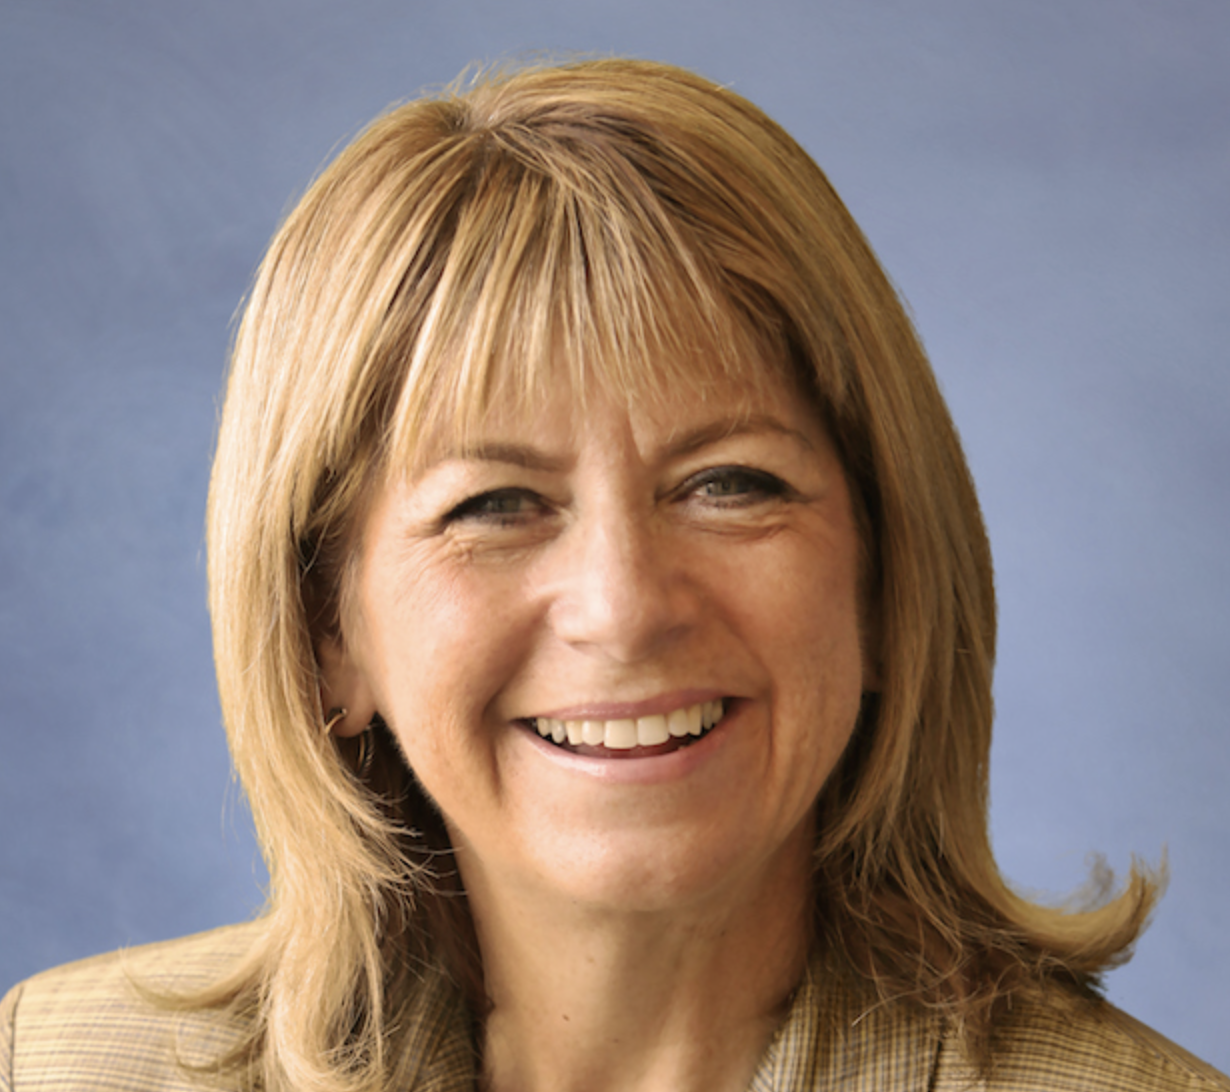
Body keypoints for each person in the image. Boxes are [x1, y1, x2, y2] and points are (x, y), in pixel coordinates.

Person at [1, 58, 1225, 1092]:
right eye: (495, 505)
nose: (624, 607)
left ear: (885, 583)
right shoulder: (59, 1070)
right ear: (330, 629)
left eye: (730, 484)